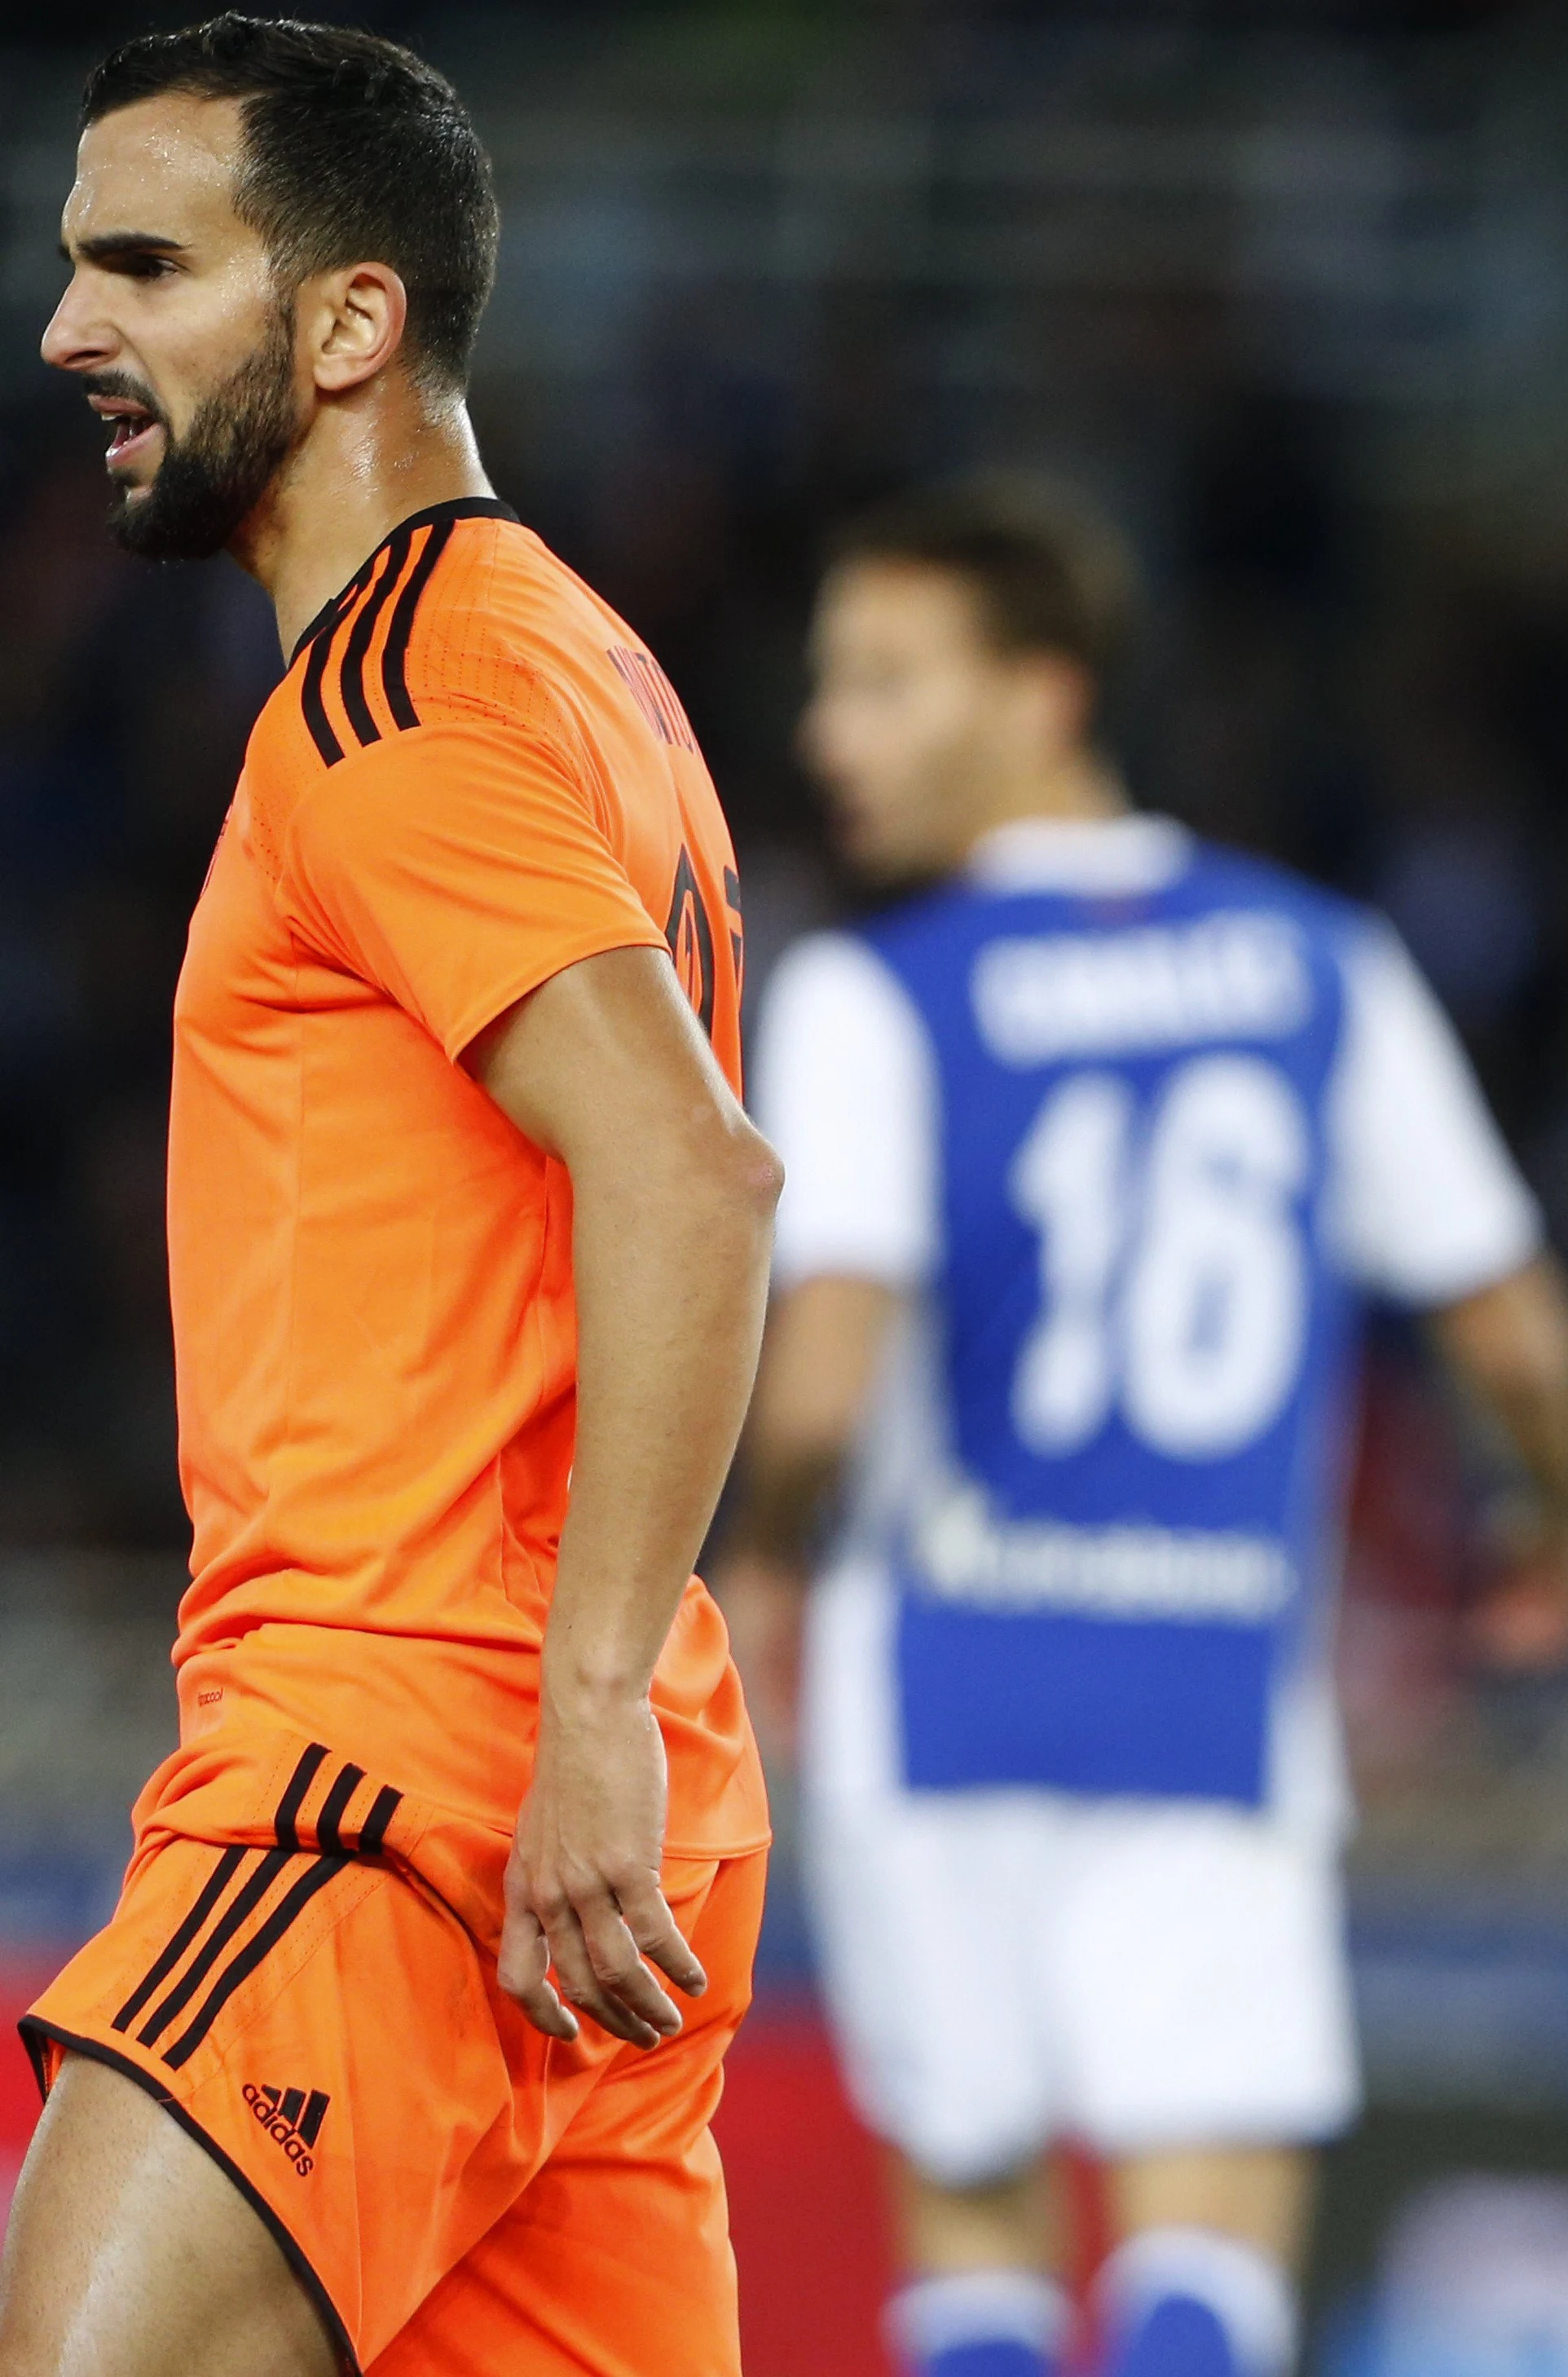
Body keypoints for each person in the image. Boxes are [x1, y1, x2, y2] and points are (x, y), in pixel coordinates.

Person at [7, 19, 781, 2377]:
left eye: (145, 263)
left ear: (349, 323)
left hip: (390, 1780)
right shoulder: (577, 660)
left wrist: (575, 1718)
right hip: (562, 1809)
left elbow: (689, 1167)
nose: (68, 333)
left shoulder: (395, 707)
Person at [716, 477, 1568, 2377]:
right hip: (1204, 1680)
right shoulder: (1315, 966)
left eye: (883, 680)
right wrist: (1560, 1526)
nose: (828, 734)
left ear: (1046, 694)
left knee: (973, 2228)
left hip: (933, 1680)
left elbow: (828, 1357)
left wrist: (767, 1570)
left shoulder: (879, 993)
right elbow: (1519, 1338)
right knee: (1206, 2247)